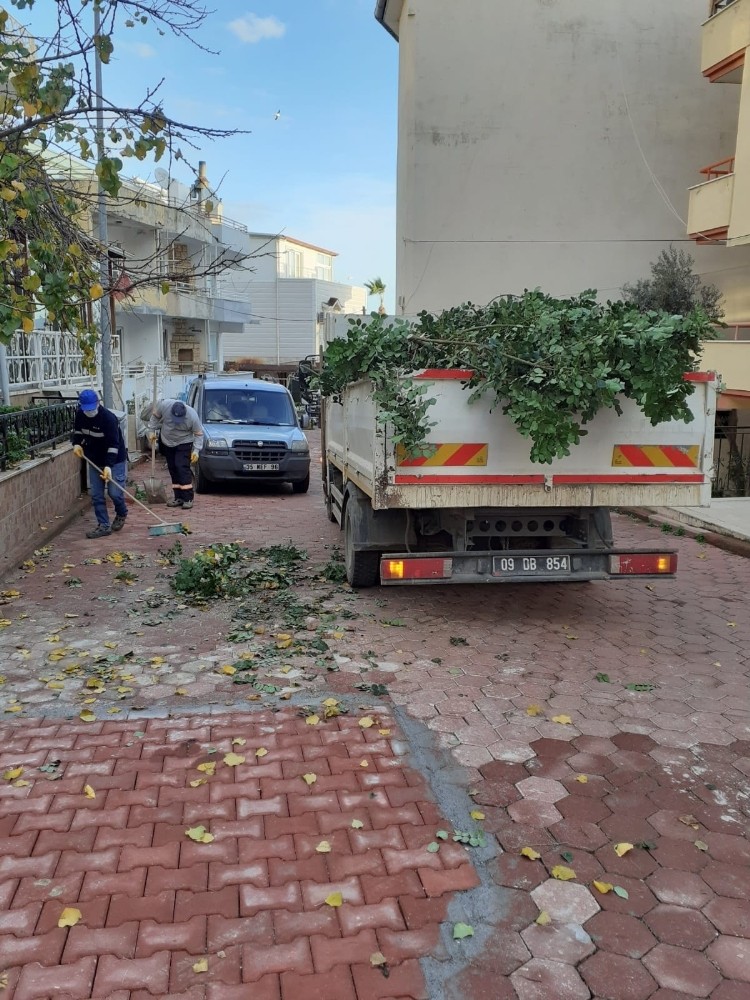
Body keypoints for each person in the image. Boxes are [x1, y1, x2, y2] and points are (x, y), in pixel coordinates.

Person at [71, 389, 129, 539]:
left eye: (91, 408)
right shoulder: (80, 415)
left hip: (115, 460)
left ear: (98, 403)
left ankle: (121, 512)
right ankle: (104, 525)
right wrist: (76, 444)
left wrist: (108, 466)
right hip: (94, 459)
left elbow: (113, 445)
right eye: (86, 409)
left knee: (114, 493)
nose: (89, 412)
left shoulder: (109, 419)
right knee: (96, 495)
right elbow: (78, 432)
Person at [148, 399, 204, 509]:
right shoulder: (164, 406)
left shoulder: (192, 416)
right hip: (167, 441)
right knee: (172, 468)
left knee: (181, 467)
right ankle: (178, 497)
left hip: (184, 442)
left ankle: (188, 498)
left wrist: (196, 451)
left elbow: (198, 434)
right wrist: (151, 431)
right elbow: (155, 418)